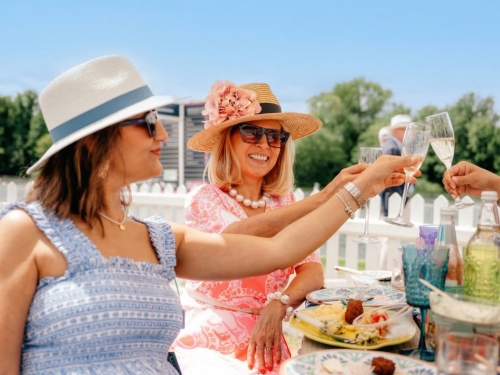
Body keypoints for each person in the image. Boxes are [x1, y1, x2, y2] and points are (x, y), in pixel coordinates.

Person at [0, 55, 420, 375]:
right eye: (148, 122)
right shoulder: (25, 233)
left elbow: (282, 249)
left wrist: (359, 187)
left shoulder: (159, 238)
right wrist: (336, 192)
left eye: (276, 136)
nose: (163, 134)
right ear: (94, 142)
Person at [170, 81, 366, 375]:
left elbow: (312, 270)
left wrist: (278, 304)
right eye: (252, 132)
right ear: (228, 139)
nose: (264, 145)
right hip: (208, 335)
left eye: (275, 137)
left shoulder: (285, 201)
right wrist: (323, 199)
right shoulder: (204, 198)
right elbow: (232, 241)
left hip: (267, 337)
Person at [379, 114, 412, 216]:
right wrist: (402, 200)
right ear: (397, 131)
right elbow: (392, 181)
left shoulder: (391, 146)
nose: (412, 133)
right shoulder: (392, 149)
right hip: (391, 204)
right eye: (408, 130)